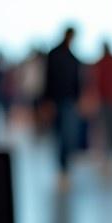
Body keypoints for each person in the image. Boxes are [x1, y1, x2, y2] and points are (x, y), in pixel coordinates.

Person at [42, 26, 83, 185]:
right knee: (59, 134)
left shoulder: (72, 58)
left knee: (68, 134)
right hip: (56, 100)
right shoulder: (55, 55)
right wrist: (47, 100)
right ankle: (61, 166)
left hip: (69, 101)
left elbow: (76, 82)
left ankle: (64, 165)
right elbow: (48, 79)